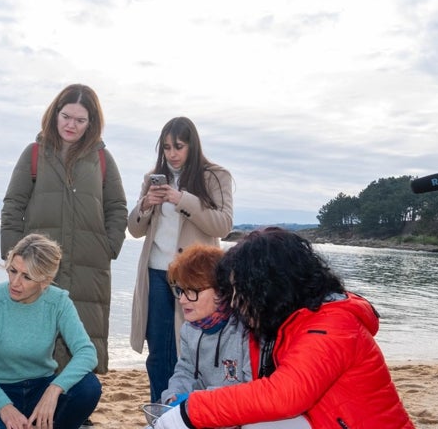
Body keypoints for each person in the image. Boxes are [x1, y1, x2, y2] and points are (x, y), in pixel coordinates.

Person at [153, 228, 414, 429]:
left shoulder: (331, 325)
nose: (234, 301)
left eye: (241, 291)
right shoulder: (283, 324)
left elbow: (284, 394)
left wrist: (191, 409)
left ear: (269, 288)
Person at [0, 83, 127, 374]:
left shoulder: (103, 160)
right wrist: (13, 259)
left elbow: (117, 208)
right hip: (38, 266)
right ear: (55, 113)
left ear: (91, 123)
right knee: (36, 339)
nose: (71, 125)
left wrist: (109, 246)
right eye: (66, 116)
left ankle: (76, 411)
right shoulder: (33, 154)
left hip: (89, 267)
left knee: (82, 338)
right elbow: (12, 206)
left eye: (80, 120)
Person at [127, 116, 234, 402]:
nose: (172, 154)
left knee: (189, 351)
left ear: (192, 146)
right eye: (166, 147)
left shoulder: (215, 176)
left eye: (178, 146)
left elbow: (223, 225)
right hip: (155, 274)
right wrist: (146, 204)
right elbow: (135, 229)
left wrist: (181, 199)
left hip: (195, 279)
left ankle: (186, 414)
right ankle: (159, 413)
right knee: (158, 352)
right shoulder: (152, 179)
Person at [0, 234, 102, 429]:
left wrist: (54, 389)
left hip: (42, 387)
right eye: (13, 271)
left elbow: (87, 353)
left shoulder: (58, 302)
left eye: (27, 276)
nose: (15, 282)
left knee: (89, 387)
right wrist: (4, 407)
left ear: (45, 281)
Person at [160, 244, 250, 405]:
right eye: (180, 290)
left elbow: (250, 390)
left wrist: (197, 400)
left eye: (192, 291)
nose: (182, 300)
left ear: (220, 290)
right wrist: (174, 394)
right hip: (201, 408)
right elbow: (185, 370)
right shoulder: (189, 329)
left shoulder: (246, 331)